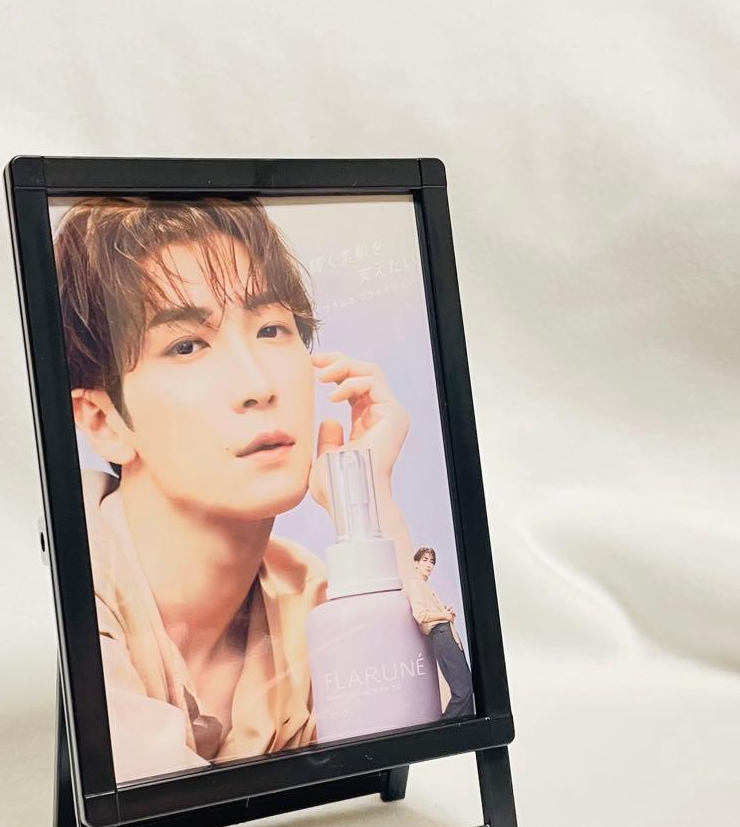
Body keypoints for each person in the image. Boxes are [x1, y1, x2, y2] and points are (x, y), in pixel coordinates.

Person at [54, 196, 420, 782]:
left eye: (272, 329)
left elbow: (410, 745)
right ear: (103, 421)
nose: (257, 386)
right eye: (186, 346)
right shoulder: (71, 582)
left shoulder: (312, 602)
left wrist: (369, 503)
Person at [407, 547, 475, 719]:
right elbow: (420, 615)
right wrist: (443, 615)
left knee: (466, 687)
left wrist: (444, 613)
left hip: (447, 634)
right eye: (425, 560)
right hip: (442, 635)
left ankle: (464, 727)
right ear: (416, 563)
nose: (429, 565)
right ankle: (445, 727)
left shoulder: (424, 585)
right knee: (463, 690)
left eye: (432, 562)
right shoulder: (415, 585)